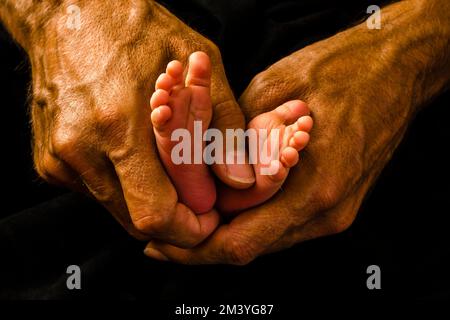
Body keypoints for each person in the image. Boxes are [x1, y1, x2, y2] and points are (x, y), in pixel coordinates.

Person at [0, 0, 449, 296]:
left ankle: (208, 174)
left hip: (346, 62)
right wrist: (55, 11)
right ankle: (221, 174)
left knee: (260, 139)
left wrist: (411, 48)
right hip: (110, 88)